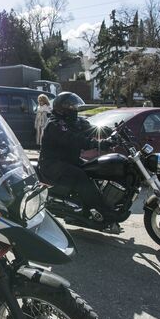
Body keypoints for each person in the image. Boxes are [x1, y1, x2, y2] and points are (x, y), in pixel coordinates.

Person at [37, 92, 118, 229]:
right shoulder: (55, 124)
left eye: (75, 107)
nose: (75, 110)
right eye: (72, 107)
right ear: (63, 108)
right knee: (81, 176)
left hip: (68, 160)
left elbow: (91, 128)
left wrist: (113, 131)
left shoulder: (73, 121)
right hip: (52, 164)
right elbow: (74, 140)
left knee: (93, 169)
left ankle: (94, 205)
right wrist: (99, 143)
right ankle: (102, 212)